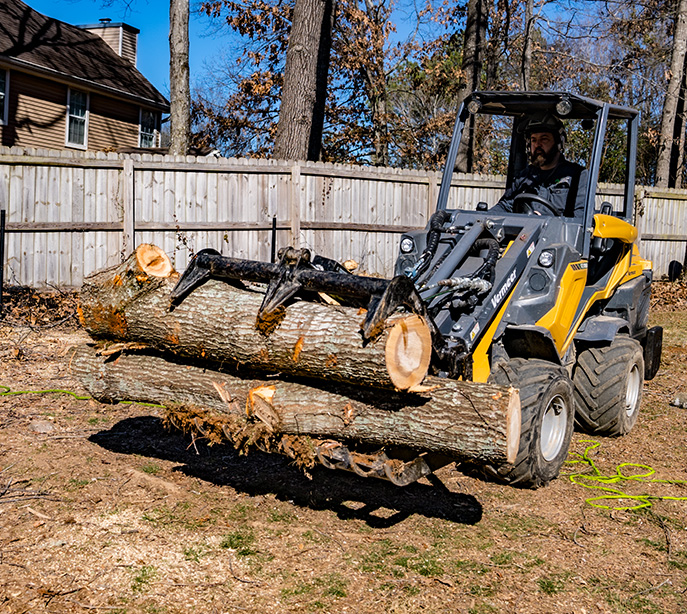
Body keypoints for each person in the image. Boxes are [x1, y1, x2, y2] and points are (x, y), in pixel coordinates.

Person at [491, 112, 588, 217]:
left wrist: (547, 221)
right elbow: (505, 206)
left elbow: (581, 216)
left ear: (559, 142)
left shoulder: (576, 176)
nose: (537, 144)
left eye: (544, 139)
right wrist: (483, 217)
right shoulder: (523, 177)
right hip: (524, 232)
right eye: (533, 140)